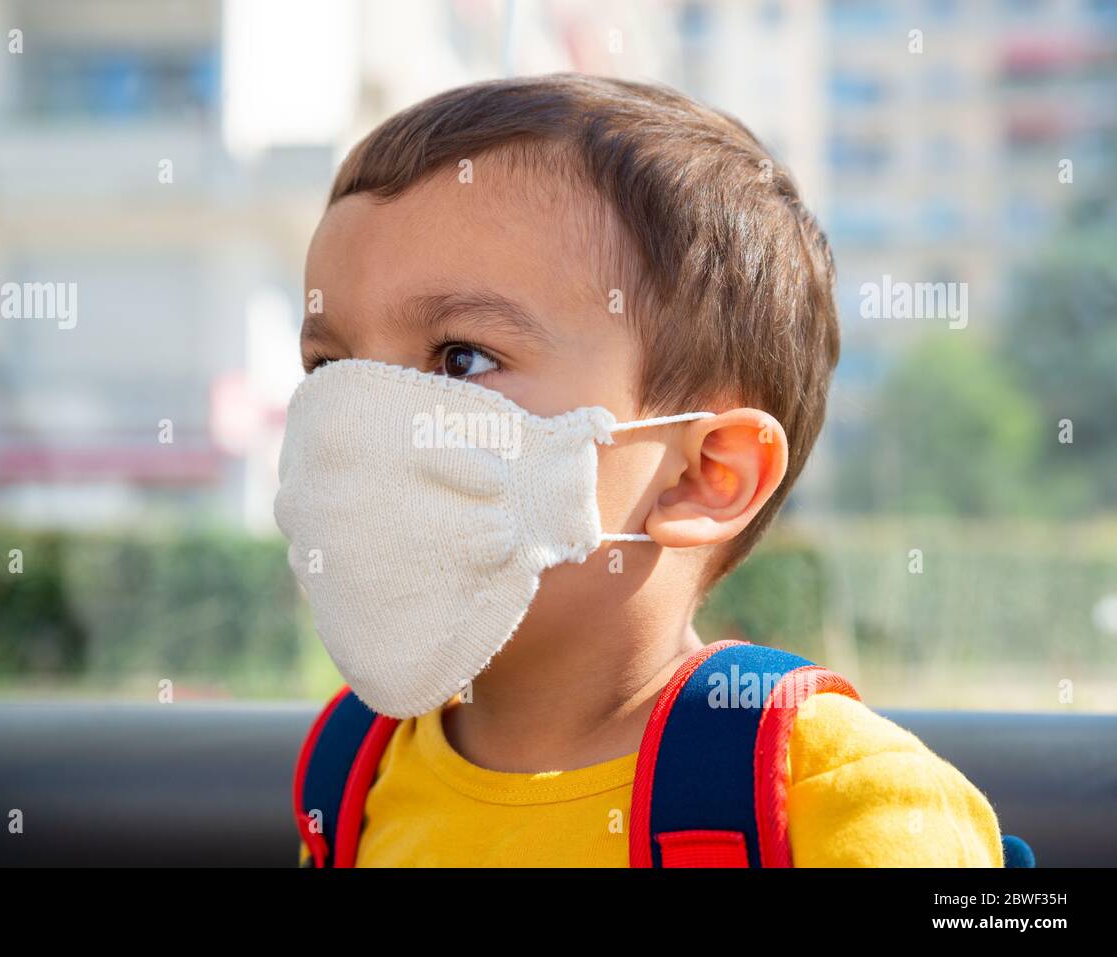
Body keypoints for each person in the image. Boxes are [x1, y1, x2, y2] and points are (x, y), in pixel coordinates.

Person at [275, 74, 1003, 867]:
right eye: (329, 366)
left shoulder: (838, 795)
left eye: (461, 359)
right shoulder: (353, 774)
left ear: (705, 475)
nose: (351, 425)